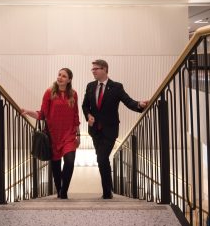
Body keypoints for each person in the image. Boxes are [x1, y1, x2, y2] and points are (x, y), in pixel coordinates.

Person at [82, 59, 148, 199]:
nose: (93, 71)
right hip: (95, 131)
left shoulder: (116, 87)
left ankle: (107, 192)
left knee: (101, 158)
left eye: (96, 69)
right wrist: (88, 115)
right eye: (92, 69)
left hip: (110, 130)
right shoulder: (90, 86)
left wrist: (139, 105)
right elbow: (85, 105)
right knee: (102, 159)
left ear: (105, 69)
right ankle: (108, 190)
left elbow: (128, 101)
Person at [22, 68, 80, 199]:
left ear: (69, 80)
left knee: (70, 161)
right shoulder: (49, 93)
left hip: (69, 135)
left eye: (64, 76)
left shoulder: (74, 94)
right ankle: (59, 190)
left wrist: (78, 135)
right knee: (56, 165)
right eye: (59, 75)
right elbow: (42, 114)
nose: (60, 78)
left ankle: (64, 191)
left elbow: (76, 115)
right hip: (53, 135)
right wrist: (29, 112)